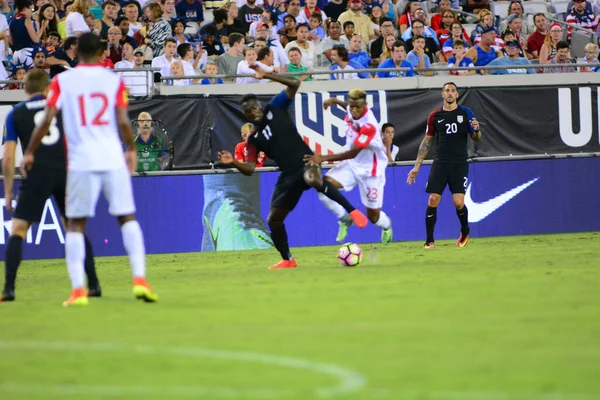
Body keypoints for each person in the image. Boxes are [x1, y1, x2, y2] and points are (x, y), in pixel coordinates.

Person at [22, 33, 158, 306]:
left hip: (81, 160)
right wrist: (130, 148)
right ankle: (140, 279)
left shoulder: (62, 80)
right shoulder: (113, 80)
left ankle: (78, 290)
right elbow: (121, 120)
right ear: (101, 52)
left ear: (76, 52)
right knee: (127, 218)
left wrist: (30, 152)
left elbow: (47, 119)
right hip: (111, 157)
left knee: (75, 224)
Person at [217, 69, 368, 270]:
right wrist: (233, 162)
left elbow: (295, 84)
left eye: (253, 107)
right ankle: (288, 259)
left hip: (306, 160)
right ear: (245, 115)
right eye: (247, 111)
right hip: (287, 174)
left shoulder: (275, 108)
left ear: (259, 106)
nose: (252, 111)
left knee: (313, 179)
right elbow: (250, 168)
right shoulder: (254, 140)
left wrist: (267, 75)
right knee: (273, 220)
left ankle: (352, 211)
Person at [1, 69, 101, 302]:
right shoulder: (63, 107)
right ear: (47, 88)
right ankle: (94, 285)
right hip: (65, 171)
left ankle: (8, 289)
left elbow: (8, 157)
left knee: (18, 230)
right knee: (75, 228)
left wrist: (7, 192)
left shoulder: (15, 113)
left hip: (36, 174)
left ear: (25, 89)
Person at [304, 89, 393, 244]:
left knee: (373, 217)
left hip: (370, 171)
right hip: (352, 166)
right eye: (351, 106)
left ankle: (387, 227)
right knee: (323, 187)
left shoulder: (369, 126)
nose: (353, 110)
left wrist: (323, 158)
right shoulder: (353, 109)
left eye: (357, 107)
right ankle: (345, 219)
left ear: (365, 105)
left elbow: (352, 153)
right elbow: (348, 107)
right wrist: (335, 101)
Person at [406, 82, 482, 249]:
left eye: (453, 91)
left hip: (459, 162)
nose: (450, 93)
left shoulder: (466, 113)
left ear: (456, 94)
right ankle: (429, 240)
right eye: (447, 90)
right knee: (433, 198)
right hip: (440, 162)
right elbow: (427, 142)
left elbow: (476, 137)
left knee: (458, 202)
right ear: (442, 94)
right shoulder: (435, 116)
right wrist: (416, 166)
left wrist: (476, 130)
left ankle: (465, 230)